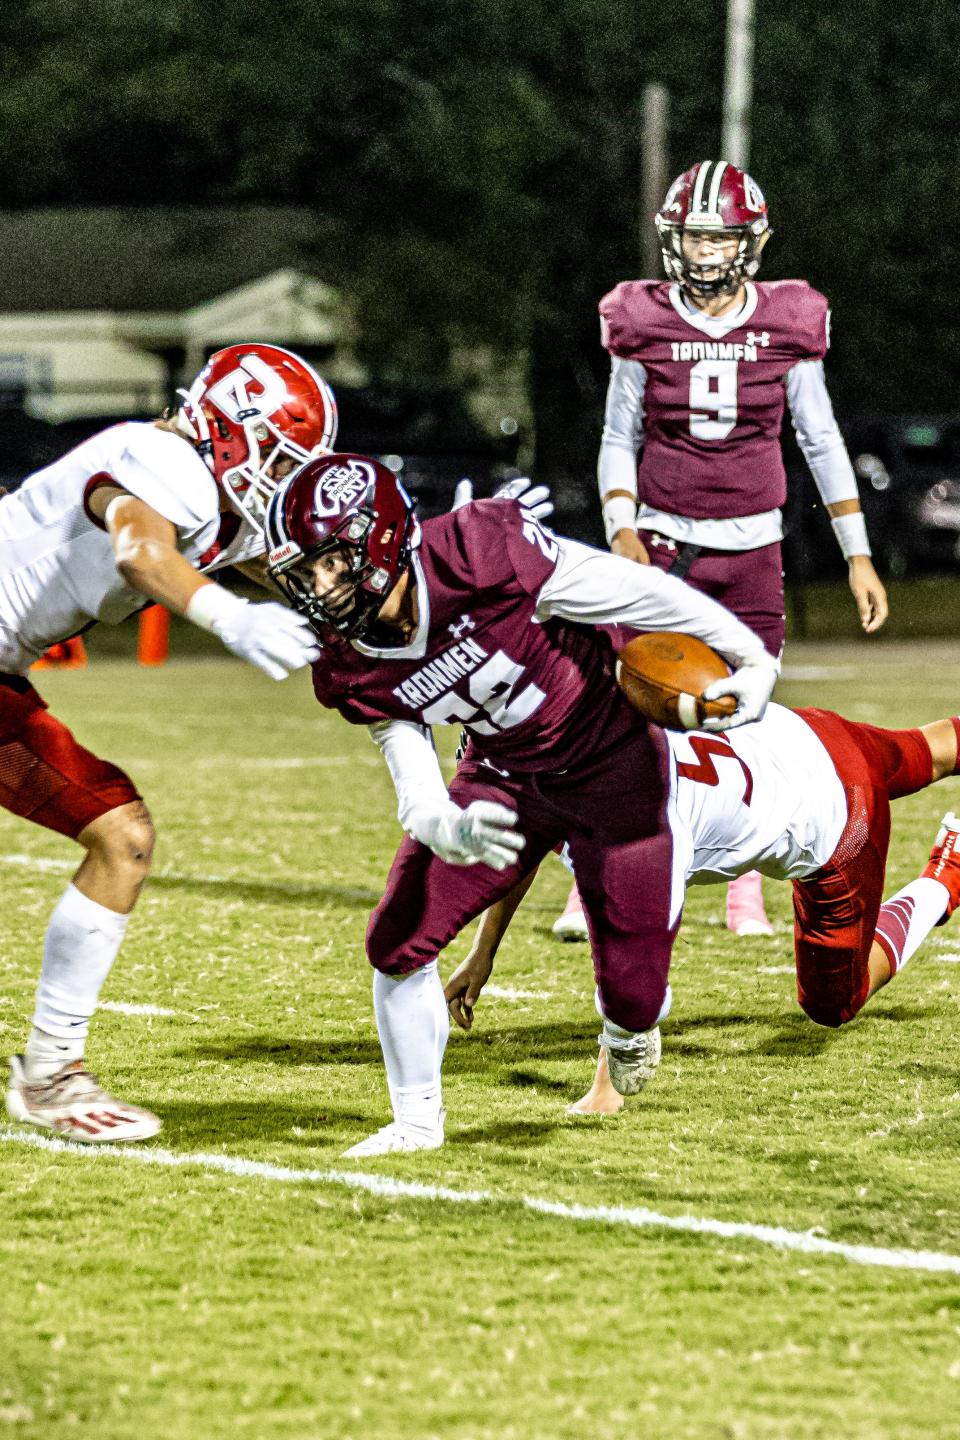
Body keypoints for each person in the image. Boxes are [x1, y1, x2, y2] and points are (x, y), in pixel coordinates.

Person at [264, 451, 781, 1156]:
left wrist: (747, 654)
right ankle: (416, 1123)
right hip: (503, 778)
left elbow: (629, 589)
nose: (318, 588)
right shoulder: (346, 660)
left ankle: (630, 1030)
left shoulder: (481, 552)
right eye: (305, 573)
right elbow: (400, 732)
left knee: (633, 993)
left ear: (378, 541)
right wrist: (433, 816)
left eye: (329, 562)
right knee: (396, 939)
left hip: (612, 767)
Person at [3, 342, 337, 1142]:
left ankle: (51, 1073)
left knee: (122, 834)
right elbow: (140, 551)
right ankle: (50, 1075)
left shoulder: (206, 495)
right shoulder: (160, 459)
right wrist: (227, 616)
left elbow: (312, 575)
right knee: (121, 835)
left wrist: (444, 563)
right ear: (230, 428)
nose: (283, 477)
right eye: (279, 456)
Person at [553, 159, 889, 946]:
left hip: (753, 546)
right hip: (665, 542)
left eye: (719, 238)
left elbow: (820, 438)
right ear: (672, 240)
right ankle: (592, 878)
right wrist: (621, 526)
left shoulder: (790, 322)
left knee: (747, 714)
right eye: (693, 238)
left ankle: (743, 888)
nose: (705, 253)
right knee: (630, 714)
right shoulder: (640, 321)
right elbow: (616, 435)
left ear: (752, 241)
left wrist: (858, 553)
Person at [444, 715, 960, 1114]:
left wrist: (608, 1087)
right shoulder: (599, 736)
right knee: (932, 748)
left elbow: (634, 960)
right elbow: (529, 845)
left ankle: (947, 875)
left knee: (833, 1002)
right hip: (803, 732)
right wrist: (482, 954)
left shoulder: (622, 827)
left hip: (839, 814)